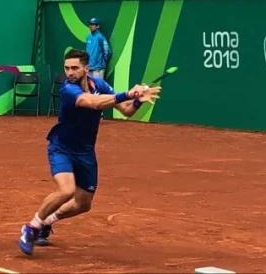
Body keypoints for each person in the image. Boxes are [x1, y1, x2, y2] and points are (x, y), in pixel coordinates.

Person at [17, 49, 161, 255]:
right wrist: (128, 93)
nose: (69, 72)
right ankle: (30, 227)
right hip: (61, 148)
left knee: (83, 203)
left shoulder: (99, 85)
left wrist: (137, 100)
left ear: (86, 68)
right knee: (66, 191)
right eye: (67, 68)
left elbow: (127, 110)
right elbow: (92, 102)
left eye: (74, 68)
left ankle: (46, 222)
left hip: (85, 152)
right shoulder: (68, 90)